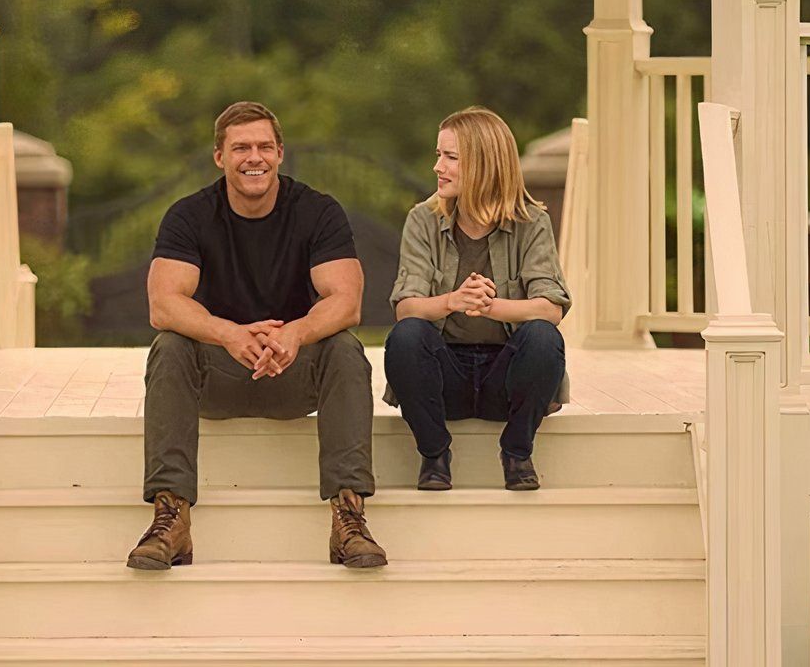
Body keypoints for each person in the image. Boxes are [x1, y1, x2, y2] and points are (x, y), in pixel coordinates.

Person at [127, 101, 386, 571]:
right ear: (219, 157)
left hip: (293, 373)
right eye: (241, 147)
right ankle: (171, 517)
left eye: (265, 146)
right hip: (218, 377)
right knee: (169, 347)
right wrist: (228, 334)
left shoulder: (318, 211)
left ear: (281, 153)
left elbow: (346, 301)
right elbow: (163, 304)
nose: (255, 157)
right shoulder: (189, 216)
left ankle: (349, 518)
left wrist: (294, 334)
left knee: (346, 349)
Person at [384, 106, 570, 492]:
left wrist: (489, 305)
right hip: (444, 377)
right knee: (405, 337)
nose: (438, 166)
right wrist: (453, 300)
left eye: (450, 157)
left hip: (506, 381)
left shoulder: (531, 222)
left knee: (542, 337)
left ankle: (517, 453)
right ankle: (434, 455)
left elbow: (550, 308)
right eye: (439, 155)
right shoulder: (422, 219)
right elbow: (406, 307)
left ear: (483, 164)